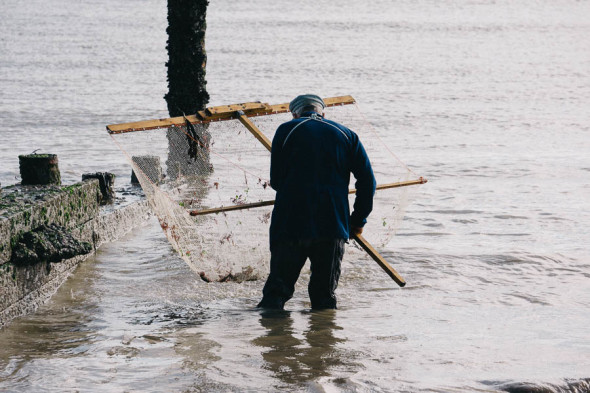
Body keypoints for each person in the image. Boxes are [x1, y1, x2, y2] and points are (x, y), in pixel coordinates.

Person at [257, 94, 376, 310]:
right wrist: (357, 220)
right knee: (324, 297)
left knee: (276, 293)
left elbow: (276, 181)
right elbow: (368, 182)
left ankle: (274, 339)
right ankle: (323, 340)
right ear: (323, 112)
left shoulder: (286, 130)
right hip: (333, 226)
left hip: (290, 224)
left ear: (294, 113)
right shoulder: (348, 135)